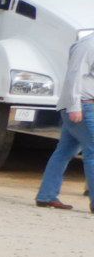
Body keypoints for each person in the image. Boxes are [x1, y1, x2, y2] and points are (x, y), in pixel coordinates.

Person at [36, 30, 94, 211]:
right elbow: (74, 76)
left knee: (63, 152)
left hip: (83, 106)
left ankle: (46, 195)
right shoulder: (88, 45)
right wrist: (74, 107)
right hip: (83, 106)